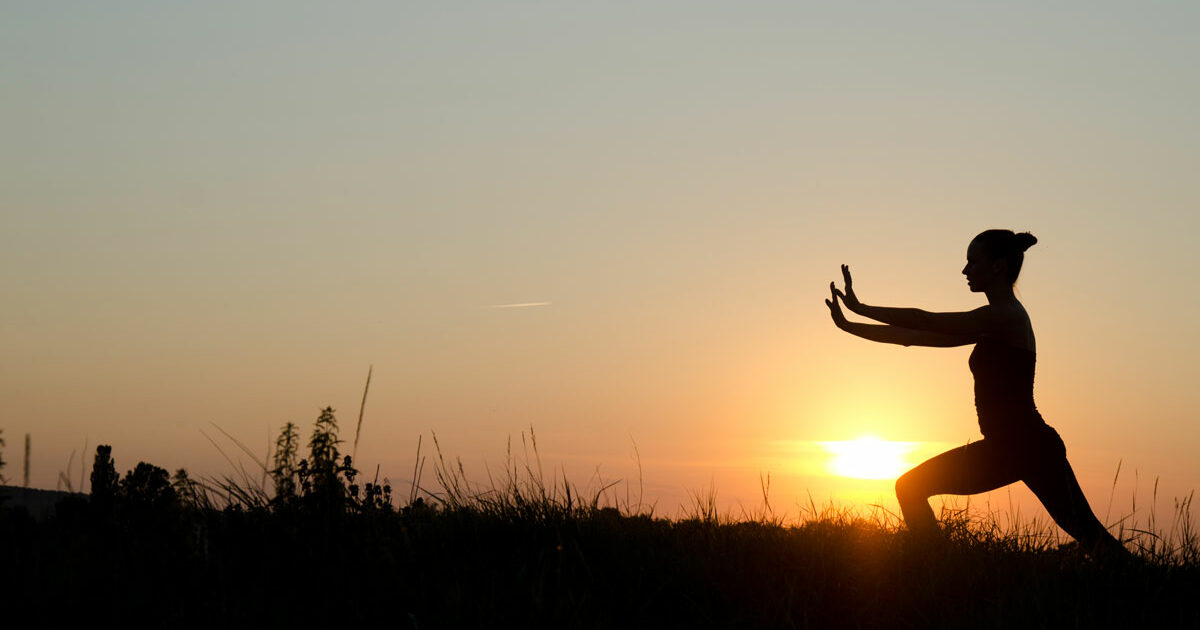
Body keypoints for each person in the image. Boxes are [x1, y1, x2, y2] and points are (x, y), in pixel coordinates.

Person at [824, 229, 1126, 556]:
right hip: (1014, 447)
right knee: (1094, 540)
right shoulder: (990, 323)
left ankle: (939, 569)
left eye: (972, 261)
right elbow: (912, 335)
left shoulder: (1005, 316)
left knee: (909, 487)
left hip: (1027, 446)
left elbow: (925, 320)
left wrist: (862, 307)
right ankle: (941, 569)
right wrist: (849, 325)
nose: (965, 270)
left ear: (997, 267)